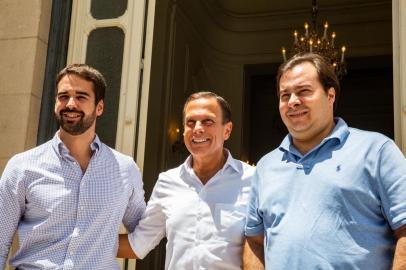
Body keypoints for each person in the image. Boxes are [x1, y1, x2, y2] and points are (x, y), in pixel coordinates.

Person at [243, 53, 406, 270]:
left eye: (304, 91)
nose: (292, 102)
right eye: (285, 95)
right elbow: (254, 240)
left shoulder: (376, 151)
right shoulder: (266, 166)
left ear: (330, 96)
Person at [0, 64, 146, 269]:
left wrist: (104, 243)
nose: (70, 104)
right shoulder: (22, 166)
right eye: (63, 96)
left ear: (100, 107)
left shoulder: (125, 169)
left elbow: (144, 232)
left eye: (81, 97)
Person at [118, 91, 254, 269]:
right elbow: (139, 244)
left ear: (227, 130)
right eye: (191, 122)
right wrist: (77, 239)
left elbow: (266, 246)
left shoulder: (252, 180)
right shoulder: (168, 181)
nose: (197, 128)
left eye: (208, 121)